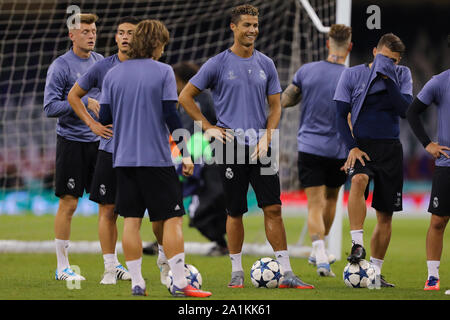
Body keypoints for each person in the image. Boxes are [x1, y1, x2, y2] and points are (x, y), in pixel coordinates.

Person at [179, 4, 314, 289]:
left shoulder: (267, 63)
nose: (252, 29)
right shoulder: (217, 63)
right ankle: (237, 271)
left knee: (273, 208)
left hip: (262, 145)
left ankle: (287, 272)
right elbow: (185, 96)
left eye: (255, 24)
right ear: (234, 27)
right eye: (247, 25)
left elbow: (276, 106)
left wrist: (268, 135)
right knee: (234, 211)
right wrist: (208, 126)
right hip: (229, 147)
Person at [98, 19, 211, 297]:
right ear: (156, 44)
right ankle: (182, 283)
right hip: (156, 160)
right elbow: (171, 116)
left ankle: (137, 282)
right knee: (172, 219)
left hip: (122, 159)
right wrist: (185, 154)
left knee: (131, 221)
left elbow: (104, 118)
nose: (163, 50)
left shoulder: (113, 74)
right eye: (163, 44)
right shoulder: (163, 72)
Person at [67, 17, 156, 285]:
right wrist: (92, 124)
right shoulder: (103, 67)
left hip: (143, 151)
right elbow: (73, 96)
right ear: (115, 38)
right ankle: (110, 268)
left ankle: (164, 263)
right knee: (108, 210)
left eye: (131, 33)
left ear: (139, 38)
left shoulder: (152, 68)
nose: (126, 37)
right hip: (110, 149)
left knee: (152, 212)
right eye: (121, 33)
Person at [334, 33, 413, 287]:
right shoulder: (352, 75)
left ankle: (376, 274)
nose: (390, 64)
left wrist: (388, 77)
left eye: (395, 61)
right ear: (374, 53)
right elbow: (339, 116)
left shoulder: (403, 76)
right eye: (386, 59)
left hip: (391, 148)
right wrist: (352, 147)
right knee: (358, 179)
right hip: (362, 147)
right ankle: (357, 244)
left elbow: (404, 111)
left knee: (385, 215)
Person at [281, 24, 352, 277]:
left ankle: (318, 251)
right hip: (339, 150)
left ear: (327, 44)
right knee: (332, 199)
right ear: (350, 47)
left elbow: (286, 100)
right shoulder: (352, 77)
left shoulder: (307, 71)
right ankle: (319, 251)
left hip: (309, 146)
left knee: (314, 204)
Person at [44, 13, 104, 281]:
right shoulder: (61, 66)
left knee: (109, 204)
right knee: (69, 204)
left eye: (93, 31)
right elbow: (50, 106)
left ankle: (112, 264)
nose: (91, 35)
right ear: (72, 35)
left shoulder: (101, 62)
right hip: (71, 142)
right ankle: (62, 266)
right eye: (85, 31)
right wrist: (81, 102)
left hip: (100, 141)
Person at [406, 66, 450, 291]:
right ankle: (433, 276)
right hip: (447, 165)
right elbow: (412, 112)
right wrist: (427, 143)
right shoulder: (440, 82)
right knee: (438, 222)